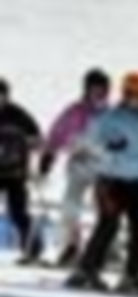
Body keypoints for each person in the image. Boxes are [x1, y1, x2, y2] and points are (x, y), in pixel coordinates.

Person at [66, 71, 138, 296]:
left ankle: (132, 276)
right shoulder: (109, 118)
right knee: (109, 224)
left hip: (135, 183)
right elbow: (87, 144)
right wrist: (108, 149)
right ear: (125, 94)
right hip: (110, 181)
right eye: (134, 94)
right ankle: (86, 271)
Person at [39, 68, 111, 267]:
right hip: (79, 165)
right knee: (70, 205)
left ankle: (108, 249)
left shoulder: (111, 115)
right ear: (86, 89)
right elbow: (57, 133)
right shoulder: (75, 112)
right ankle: (72, 246)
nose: (98, 94)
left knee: (106, 209)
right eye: (94, 89)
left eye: (102, 90)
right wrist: (48, 156)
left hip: (104, 168)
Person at [0, 78, 42, 262]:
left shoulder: (18, 115)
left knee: (18, 212)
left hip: (15, 173)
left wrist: (29, 146)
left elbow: (37, 138)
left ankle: (32, 248)